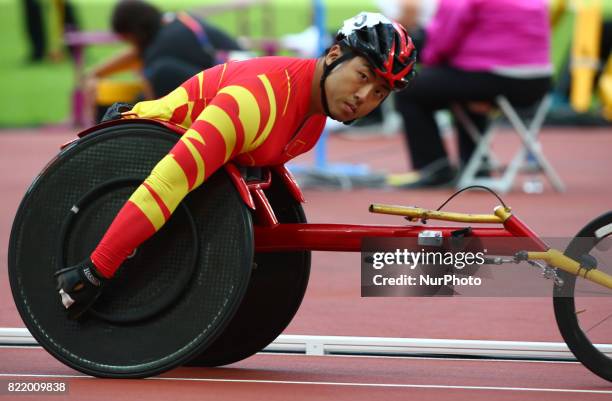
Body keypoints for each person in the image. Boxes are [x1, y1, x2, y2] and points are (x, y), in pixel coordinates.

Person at [54, 12, 418, 319]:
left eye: (379, 93)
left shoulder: (313, 121)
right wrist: (95, 270)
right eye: (364, 76)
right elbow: (166, 185)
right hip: (128, 157)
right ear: (335, 53)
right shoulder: (253, 104)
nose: (363, 97)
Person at [386, 0, 552, 188]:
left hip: (495, 78)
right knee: (463, 87)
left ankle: (434, 169)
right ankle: (476, 164)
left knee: (410, 88)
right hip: (538, 82)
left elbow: (443, 41)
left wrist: (426, 59)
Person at [85, 0, 243, 105]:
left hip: (239, 91)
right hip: (246, 81)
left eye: (127, 39)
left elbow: (149, 92)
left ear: (135, 32)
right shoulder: (172, 22)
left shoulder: (161, 46)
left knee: (159, 74)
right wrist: (96, 73)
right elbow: (136, 55)